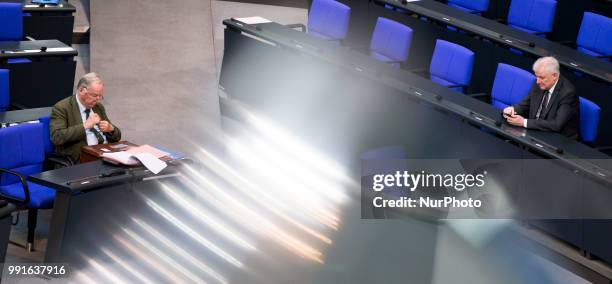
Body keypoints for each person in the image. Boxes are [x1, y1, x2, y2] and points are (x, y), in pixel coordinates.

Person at [50, 72, 121, 163]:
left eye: (100, 96)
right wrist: (85, 126)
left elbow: (117, 137)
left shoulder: (98, 107)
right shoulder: (62, 108)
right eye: (94, 95)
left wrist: (111, 129)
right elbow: (57, 137)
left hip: (104, 154)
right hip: (81, 159)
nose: (97, 99)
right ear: (82, 90)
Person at [503, 56, 579, 139]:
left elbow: (557, 125)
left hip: (559, 139)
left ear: (554, 76)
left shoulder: (567, 93)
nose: (537, 81)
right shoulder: (540, 83)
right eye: (537, 76)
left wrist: (524, 122)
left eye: (542, 78)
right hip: (536, 131)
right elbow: (526, 103)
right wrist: (512, 110)